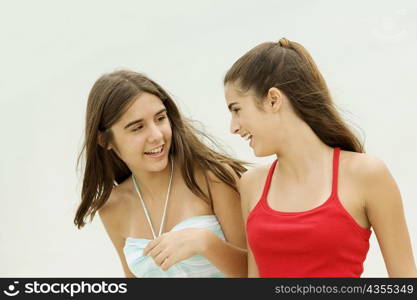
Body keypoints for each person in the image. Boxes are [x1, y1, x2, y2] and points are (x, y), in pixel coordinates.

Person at [223, 37, 417, 278]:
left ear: (274, 99)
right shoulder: (251, 184)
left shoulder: (367, 175)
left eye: (237, 110)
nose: (233, 127)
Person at [74, 70, 247, 277]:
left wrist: (205, 242)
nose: (156, 136)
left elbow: (255, 273)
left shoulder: (212, 178)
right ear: (105, 140)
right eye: (137, 127)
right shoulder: (112, 207)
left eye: (160, 118)